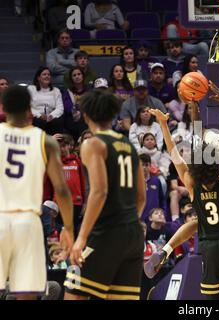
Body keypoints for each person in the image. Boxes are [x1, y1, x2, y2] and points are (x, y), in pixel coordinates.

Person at [147, 106, 219, 300]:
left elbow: (175, 155)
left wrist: (164, 125)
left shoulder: (191, 184)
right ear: (217, 164)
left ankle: (166, 251)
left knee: (212, 297)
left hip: (208, 247)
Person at [64, 90, 146, 300]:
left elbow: (99, 192)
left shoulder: (92, 144)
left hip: (106, 233)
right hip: (133, 234)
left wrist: (81, 238)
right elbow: (140, 197)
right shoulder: (129, 145)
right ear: (113, 115)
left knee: (74, 295)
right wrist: (128, 224)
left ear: (86, 116)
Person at [0, 85, 74, 300]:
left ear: (4, 108)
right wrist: (68, 228)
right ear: (29, 109)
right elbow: (61, 189)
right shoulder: (45, 140)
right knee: (27, 292)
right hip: (27, 221)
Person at [28, 67, 65, 135]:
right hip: (36, 117)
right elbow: (28, 107)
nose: (47, 76)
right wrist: (39, 115)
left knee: (58, 121)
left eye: (48, 74)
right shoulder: (31, 89)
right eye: (44, 74)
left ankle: (55, 143)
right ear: (38, 78)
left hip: (51, 117)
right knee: (39, 122)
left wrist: (51, 116)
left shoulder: (56, 90)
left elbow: (60, 108)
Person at [62, 67, 89, 140]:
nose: (77, 76)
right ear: (71, 79)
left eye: (79, 74)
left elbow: (90, 105)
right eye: (74, 75)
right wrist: (76, 111)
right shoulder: (68, 92)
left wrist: (80, 111)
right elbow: (67, 107)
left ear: (82, 76)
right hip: (72, 118)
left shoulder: (89, 91)